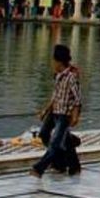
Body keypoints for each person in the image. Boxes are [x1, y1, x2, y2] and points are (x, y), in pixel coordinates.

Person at [31, 44, 83, 178]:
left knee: (55, 143)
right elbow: (55, 95)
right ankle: (69, 164)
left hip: (64, 115)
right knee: (44, 134)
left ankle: (39, 168)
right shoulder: (58, 76)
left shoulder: (71, 77)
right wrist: (45, 110)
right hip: (54, 112)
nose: (52, 63)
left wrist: (75, 117)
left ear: (59, 61)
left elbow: (77, 99)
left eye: (53, 60)